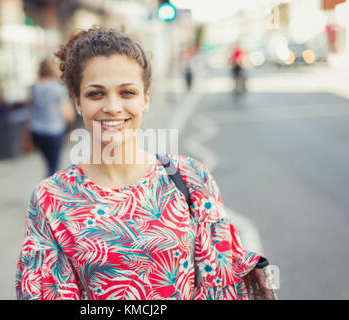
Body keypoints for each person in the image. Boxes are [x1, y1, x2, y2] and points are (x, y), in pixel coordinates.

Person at [16, 27, 266, 300]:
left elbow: (221, 287)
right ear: (77, 102)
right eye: (95, 94)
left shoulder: (191, 178)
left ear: (145, 100)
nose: (112, 106)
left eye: (127, 93)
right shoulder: (51, 198)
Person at [29, 58, 75, 177]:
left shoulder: (34, 87)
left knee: (48, 164)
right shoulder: (57, 87)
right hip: (54, 131)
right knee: (53, 166)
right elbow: (67, 113)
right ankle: (47, 191)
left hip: (36, 131)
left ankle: (46, 189)